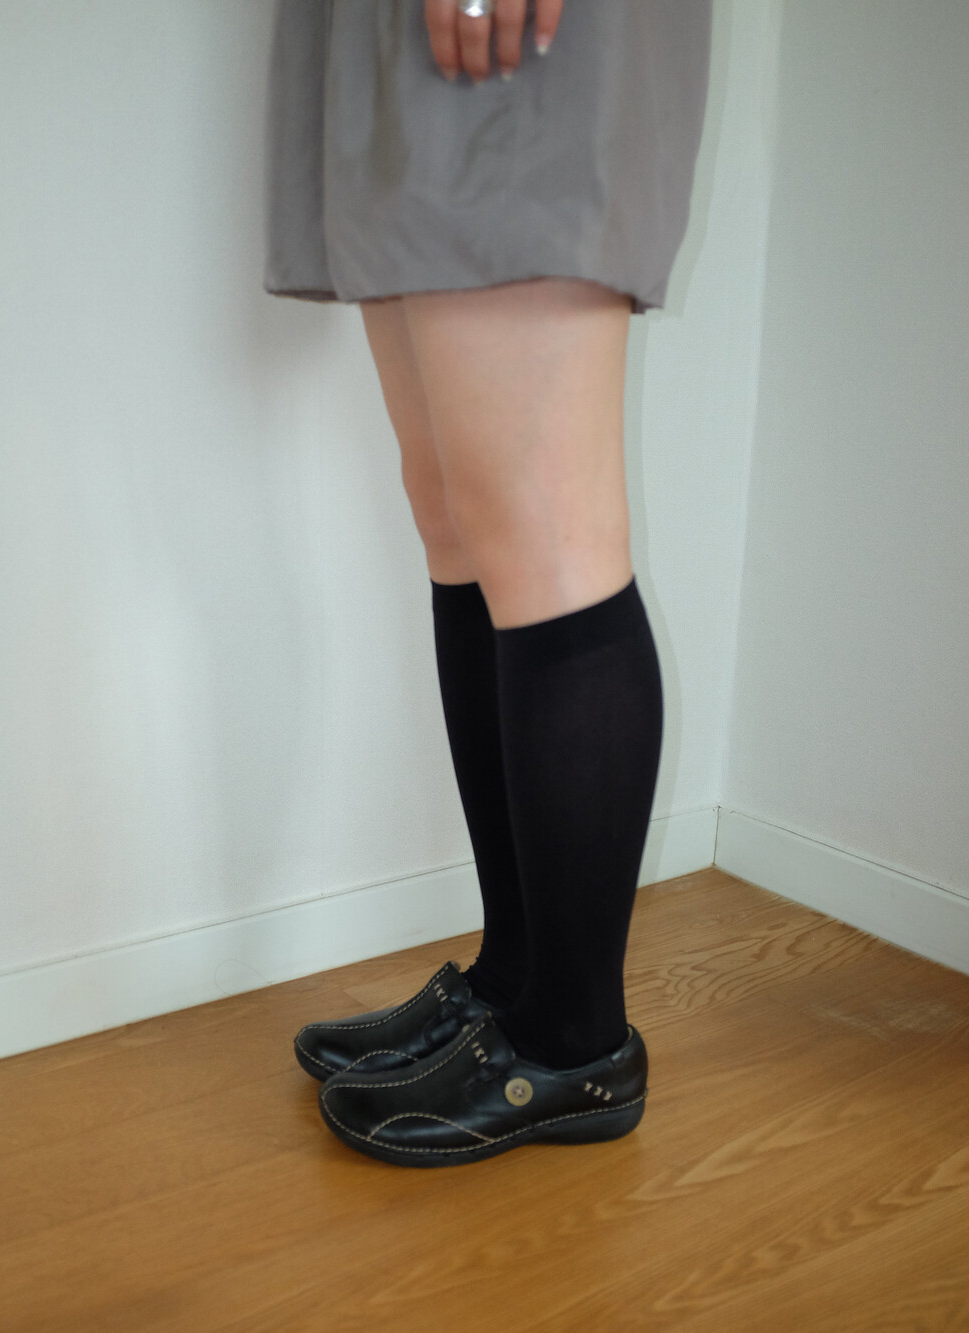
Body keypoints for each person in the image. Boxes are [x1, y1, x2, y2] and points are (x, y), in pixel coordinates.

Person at [264, 0, 711, 1166]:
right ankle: (515, 978)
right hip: (383, 32)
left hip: (518, 37)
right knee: (457, 519)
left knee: (544, 533)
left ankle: (574, 1041)